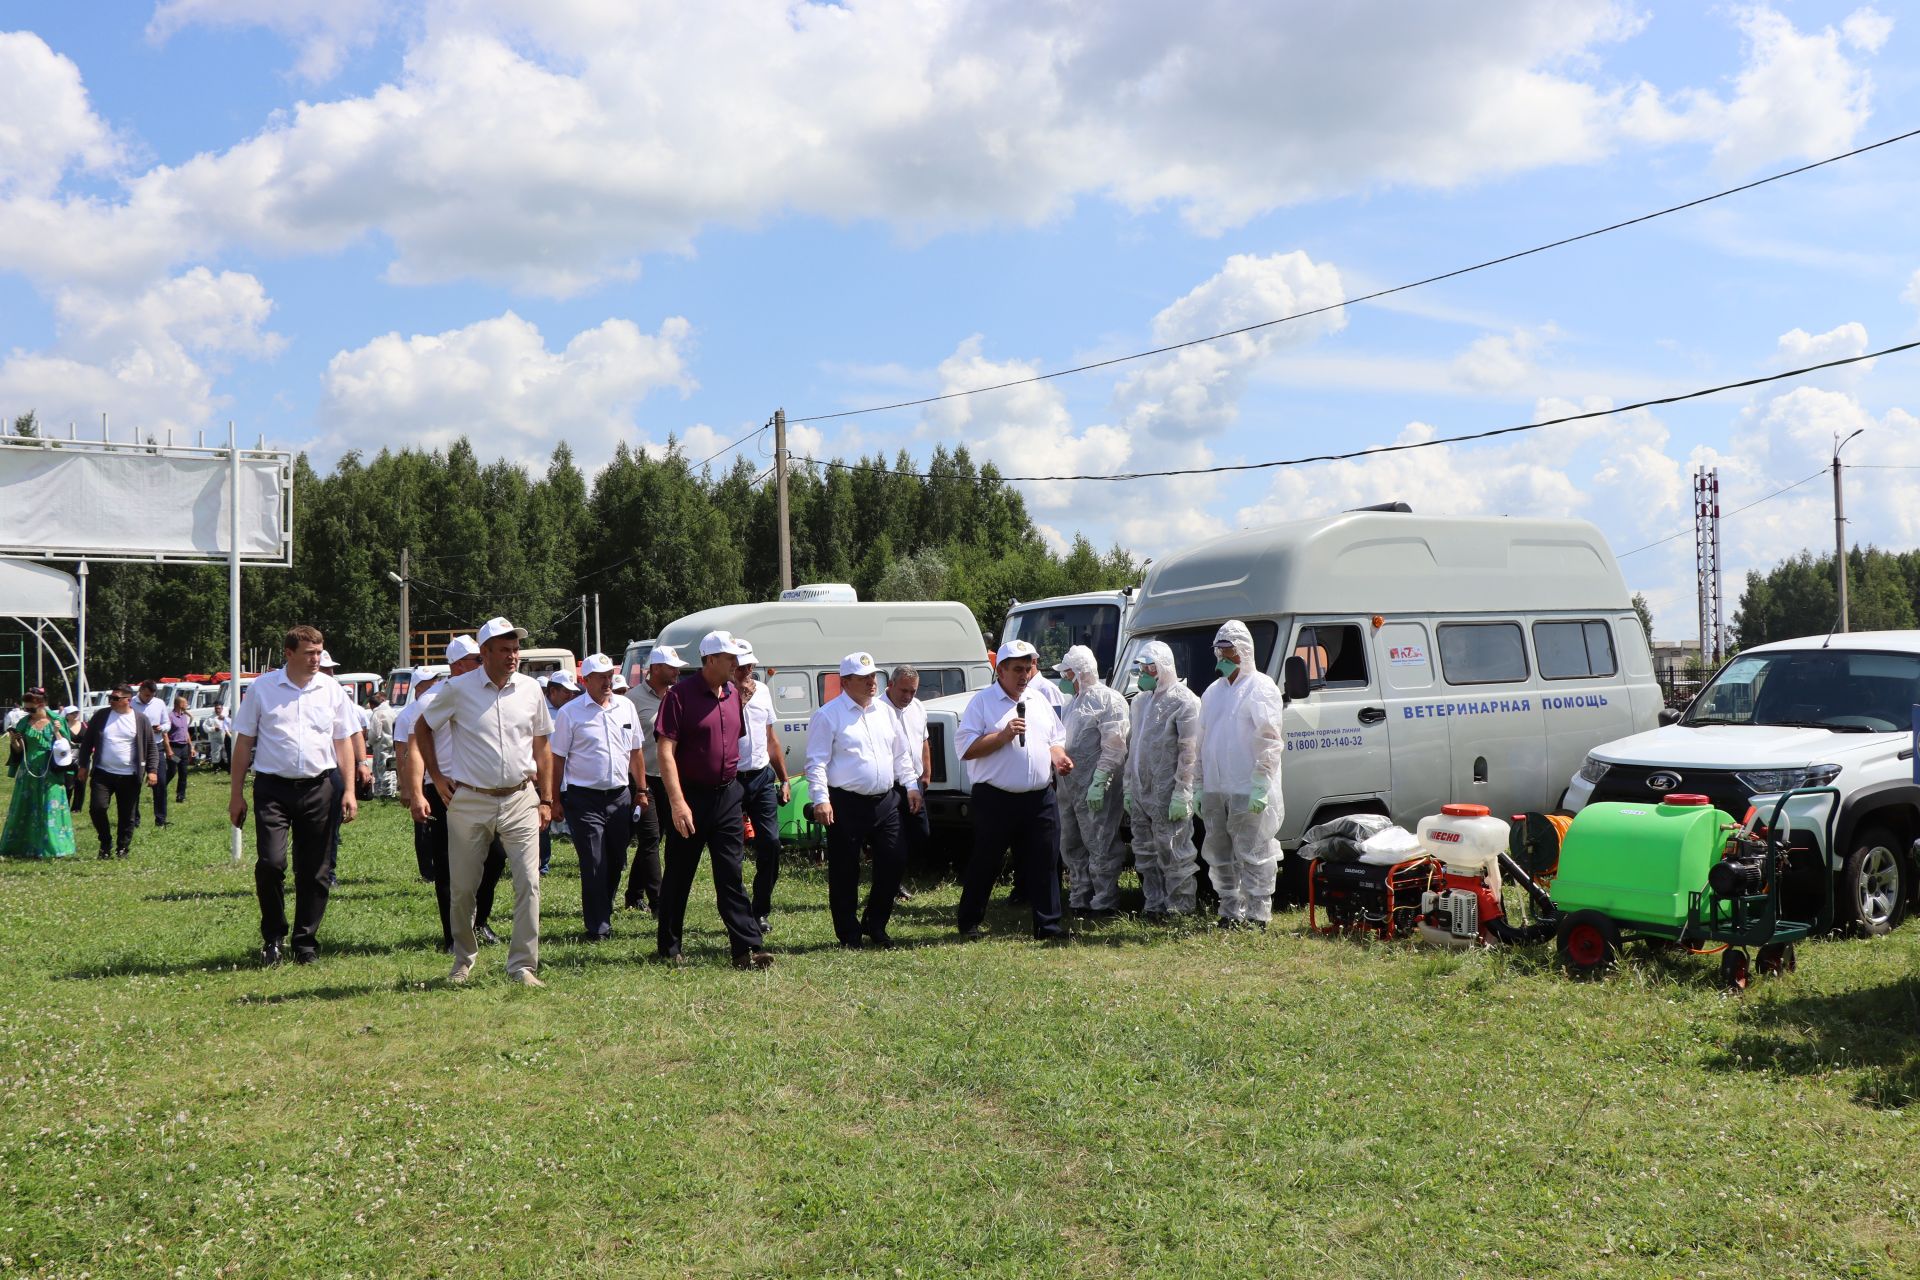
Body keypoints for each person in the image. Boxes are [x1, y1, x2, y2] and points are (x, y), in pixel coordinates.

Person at [414, 617, 554, 986]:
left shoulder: (529, 689)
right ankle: (463, 959)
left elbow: (543, 743)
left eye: (516, 649)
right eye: (505, 650)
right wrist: (437, 776)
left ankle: (522, 966)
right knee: (462, 888)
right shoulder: (457, 689)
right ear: (485, 653)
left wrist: (546, 799)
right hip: (470, 800)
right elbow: (423, 727)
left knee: (528, 882)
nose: (513, 656)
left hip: (521, 797)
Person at [229, 626, 360, 965]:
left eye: (319, 653)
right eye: (309, 653)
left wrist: (349, 790)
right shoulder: (262, 689)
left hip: (320, 787)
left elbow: (343, 740)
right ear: (289, 653)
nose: (316, 659)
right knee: (271, 863)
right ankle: (273, 937)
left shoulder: (331, 689)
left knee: (315, 869)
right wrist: (236, 794)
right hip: (273, 788)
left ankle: (305, 943)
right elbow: (244, 742)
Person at [653, 630, 770, 969]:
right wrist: (677, 802)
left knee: (731, 874)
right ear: (710, 660)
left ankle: (745, 948)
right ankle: (670, 948)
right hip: (690, 797)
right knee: (679, 875)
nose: (736, 663)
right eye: (730, 657)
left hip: (727, 797)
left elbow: (734, 742)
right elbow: (665, 750)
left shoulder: (733, 693)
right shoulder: (679, 696)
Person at [954, 639, 1073, 943]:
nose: (1025, 675)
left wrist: (1059, 758)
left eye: (1029, 668)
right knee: (986, 861)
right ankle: (969, 922)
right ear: (1000, 670)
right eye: (1018, 669)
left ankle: (1048, 927)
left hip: (1039, 796)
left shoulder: (1038, 701)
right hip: (996, 799)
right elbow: (966, 749)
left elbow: (1054, 738)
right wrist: (1003, 736)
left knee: (1045, 861)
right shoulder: (982, 703)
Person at [804, 652, 921, 948]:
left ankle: (875, 923)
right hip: (845, 801)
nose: (871, 683)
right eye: (864, 677)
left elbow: (900, 754)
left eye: (873, 676)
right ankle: (849, 933)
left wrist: (910, 785)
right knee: (845, 870)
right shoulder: (828, 715)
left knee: (895, 859)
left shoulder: (885, 712)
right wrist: (821, 799)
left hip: (885, 800)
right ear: (845, 682)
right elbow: (816, 763)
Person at [1197, 619, 1286, 929]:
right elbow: (1201, 741)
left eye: (1228, 650)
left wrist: (1261, 782)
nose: (1221, 655)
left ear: (1244, 651)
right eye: (1218, 649)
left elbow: (1270, 740)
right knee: (1219, 851)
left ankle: (1258, 915)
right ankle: (1230, 910)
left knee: (1254, 852)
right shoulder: (1212, 692)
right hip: (1216, 787)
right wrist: (1198, 784)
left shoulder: (1261, 687)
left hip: (1249, 787)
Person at [551, 654, 644, 942]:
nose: (607, 681)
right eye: (600, 677)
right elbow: (557, 758)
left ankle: (603, 909)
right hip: (583, 798)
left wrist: (641, 789)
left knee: (616, 860)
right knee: (594, 861)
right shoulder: (571, 713)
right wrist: (553, 798)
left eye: (609, 675)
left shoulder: (625, 706)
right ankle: (598, 926)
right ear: (585, 680)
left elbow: (635, 751)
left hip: (619, 796)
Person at [1123, 640, 1202, 920]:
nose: (1143, 672)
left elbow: (1189, 751)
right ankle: (1154, 904)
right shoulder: (1141, 701)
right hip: (1142, 791)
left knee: (1174, 851)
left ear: (1163, 668)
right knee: (1145, 851)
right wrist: (1129, 786)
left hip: (1168, 792)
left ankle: (1180, 908)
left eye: (1149, 667)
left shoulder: (1184, 700)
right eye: (1141, 667)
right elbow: (1134, 748)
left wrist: (1184, 791)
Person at [1053, 644, 1130, 916]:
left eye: (1067, 673)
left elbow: (1114, 746)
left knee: (1100, 841)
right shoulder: (1071, 703)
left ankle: (1104, 900)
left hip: (1097, 787)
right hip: (1069, 787)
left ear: (1079, 672)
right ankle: (1080, 896)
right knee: (1071, 841)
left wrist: (1100, 781)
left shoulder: (1109, 700)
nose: (1064, 679)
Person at [621, 644, 687, 914]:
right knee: (649, 840)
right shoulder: (632, 699)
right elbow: (626, 743)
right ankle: (659, 902)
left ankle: (633, 894)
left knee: (655, 839)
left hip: (669, 779)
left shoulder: (678, 696)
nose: (677, 673)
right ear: (655, 669)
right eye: (672, 668)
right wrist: (637, 785)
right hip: (642, 779)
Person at [733, 642, 790, 935]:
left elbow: (771, 738)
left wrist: (784, 778)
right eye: (741, 666)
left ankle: (761, 910)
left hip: (760, 776)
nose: (747, 671)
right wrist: (739, 702)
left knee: (770, 843)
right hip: (730, 778)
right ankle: (737, 911)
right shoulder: (722, 693)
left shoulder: (763, 691)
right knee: (732, 850)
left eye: (750, 666)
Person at [76, 684, 157, 860]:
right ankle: (105, 843)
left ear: (128, 700)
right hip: (102, 773)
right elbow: (87, 742)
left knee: (127, 815)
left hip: (129, 775)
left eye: (115, 698)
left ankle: (123, 848)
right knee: (97, 808)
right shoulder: (101, 716)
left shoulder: (140, 719)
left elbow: (150, 747)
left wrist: (152, 770)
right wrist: (83, 765)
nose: (111, 701)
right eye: (110, 698)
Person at [2, 688, 77, 859]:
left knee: (51, 806)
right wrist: (14, 742)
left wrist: (57, 731)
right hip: (29, 771)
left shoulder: (57, 721)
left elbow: (65, 748)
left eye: (31, 709)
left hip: (51, 770)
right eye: (26, 709)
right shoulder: (23, 723)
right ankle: (22, 846)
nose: (28, 712)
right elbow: (19, 751)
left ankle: (55, 847)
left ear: (42, 704)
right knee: (26, 807)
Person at [882, 666, 932, 886]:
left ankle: (901, 874)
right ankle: (893, 882)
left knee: (921, 832)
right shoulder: (877, 710)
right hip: (889, 785)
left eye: (913, 691)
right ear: (890, 685)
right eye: (904, 691)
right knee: (893, 839)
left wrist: (927, 772)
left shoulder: (918, 707)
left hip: (914, 782)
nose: (908, 697)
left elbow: (923, 740)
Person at [136, 680, 171, 827]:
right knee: (135, 784)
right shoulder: (130, 703)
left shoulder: (159, 703)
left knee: (161, 783)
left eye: (151, 696)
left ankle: (161, 819)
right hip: (136, 748)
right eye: (146, 695)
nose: (148, 698)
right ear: (140, 690)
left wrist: (161, 728)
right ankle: (134, 820)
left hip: (156, 746)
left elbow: (167, 724)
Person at [368, 690, 398, 798]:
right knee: (392, 767)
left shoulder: (377, 713)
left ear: (372, 705)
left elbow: (375, 733)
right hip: (393, 742)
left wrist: (370, 742)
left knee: (381, 768)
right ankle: (392, 790)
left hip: (381, 744)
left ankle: (384, 792)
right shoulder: (392, 711)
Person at [167, 695, 194, 803]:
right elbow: (166, 733)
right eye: (185, 703)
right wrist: (167, 748)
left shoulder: (184, 717)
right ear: (180, 704)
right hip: (174, 748)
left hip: (184, 748)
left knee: (183, 772)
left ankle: (180, 796)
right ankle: (160, 787)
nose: (187, 705)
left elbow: (186, 732)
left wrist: (191, 747)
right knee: (172, 771)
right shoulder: (170, 716)